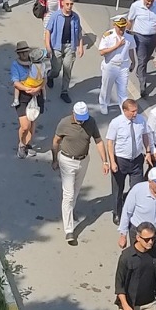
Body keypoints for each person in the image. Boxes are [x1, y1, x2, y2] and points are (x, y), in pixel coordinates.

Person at [50, 101, 103, 245]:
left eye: (83, 118)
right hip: (67, 161)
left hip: (83, 161)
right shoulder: (64, 123)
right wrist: (54, 159)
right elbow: (56, 141)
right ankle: (69, 230)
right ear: (73, 114)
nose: (81, 121)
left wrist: (105, 161)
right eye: (79, 118)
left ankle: (69, 212)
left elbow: (98, 141)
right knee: (69, 194)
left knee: (76, 190)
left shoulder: (90, 122)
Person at [103, 97, 153, 223]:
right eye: (132, 111)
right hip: (121, 160)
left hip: (136, 160)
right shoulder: (116, 123)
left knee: (137, 188)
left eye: (136, 110)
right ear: (124, 110)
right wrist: (112, 162)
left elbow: (145, 135)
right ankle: (117, 212)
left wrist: (148, 152)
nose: (135, 113)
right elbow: (110, 142)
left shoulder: (141, 120)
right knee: (118, 189)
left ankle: (132, 211)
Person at [118, 166, 156, 267]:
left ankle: (153, 280)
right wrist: (123, 235)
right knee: (138, 259)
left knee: (154, 260)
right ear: (150, 181)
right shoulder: (137, 190)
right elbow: (127, 212)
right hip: (139, 232)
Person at [43, 0, 85, 103]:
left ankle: (64, 92)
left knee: (67, 69)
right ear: (62, 3)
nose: (69, 6)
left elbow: (79, 32)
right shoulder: (55, 16)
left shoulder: (75, 17)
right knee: (56, 70)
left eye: (71, 4)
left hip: (70, 47)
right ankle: (50, 75)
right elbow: (48, 31)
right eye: (67, 4)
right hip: (57, 46)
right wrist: (48, 47)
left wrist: (80, 46)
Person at [10, 41, 46, 158]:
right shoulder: (15, 65)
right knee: (25, 125)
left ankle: (28, 144)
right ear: (18, 54)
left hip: (36, 94)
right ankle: (21, 144)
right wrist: (28, 89)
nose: (24, 54)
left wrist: (38, 89)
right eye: (21, 52)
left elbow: (44, 78)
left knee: (32, 122)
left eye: (25, 51)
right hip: (23, 96)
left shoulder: (36, 62)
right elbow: (15, 83)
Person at [96, 15, 133, 117]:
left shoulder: (129, 36)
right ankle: (103, 103)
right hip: (110, 65)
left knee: (123, 90)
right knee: (107, 87)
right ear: (115, 25)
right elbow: (102, 52)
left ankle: (124, 107)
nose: (122, 29)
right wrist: (117, 46)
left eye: (124, 27)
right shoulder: (108, 35)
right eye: (120, 27)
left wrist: (133, 61)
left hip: (123, 66)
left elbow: (131, 49)